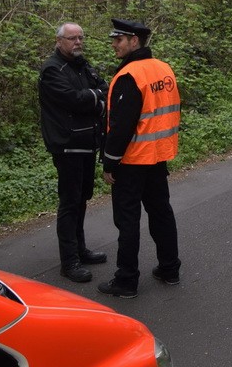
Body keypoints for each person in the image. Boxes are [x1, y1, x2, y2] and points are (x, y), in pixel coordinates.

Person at [98, 19, 182, 299]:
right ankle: (170, 269)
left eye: (118, 40)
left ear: (134, 41)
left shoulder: (129, 76)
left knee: (127, 220)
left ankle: (126, 281)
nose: (114, 45)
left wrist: (109, 162)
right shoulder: (163, 68)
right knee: (161, 213)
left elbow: (120, 126)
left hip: (132, 161)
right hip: (158, 157)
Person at [38, 22, 109, 284]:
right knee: (70, 201)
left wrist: (93, 97)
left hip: (88, 141)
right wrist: (95, 99)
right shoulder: (52, 70)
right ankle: (69, 262)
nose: (78, 42)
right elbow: (73, 100)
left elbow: (105, 88)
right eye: (72, 38)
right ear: (58, 41)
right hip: (67, 144)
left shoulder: (83, 65)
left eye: (81, 37)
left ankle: (80, 249)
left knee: (82, 198)